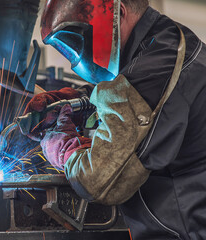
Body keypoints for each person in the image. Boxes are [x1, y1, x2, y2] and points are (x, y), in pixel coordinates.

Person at [24, 0, 206, 239]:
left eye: (76, 42)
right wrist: (81, 100)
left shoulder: (159, 65)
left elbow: (97, 180)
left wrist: (62, 147)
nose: (73, 60)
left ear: (117, 14)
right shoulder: (160, 45)